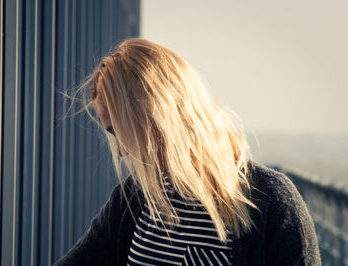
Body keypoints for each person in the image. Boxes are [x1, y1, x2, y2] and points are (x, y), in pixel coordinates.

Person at [54, 38, 320, 266]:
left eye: (122, 131)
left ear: (156, 117)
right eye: (112, 134)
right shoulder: (134, 200)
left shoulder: (271, 201)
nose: (121, 151)